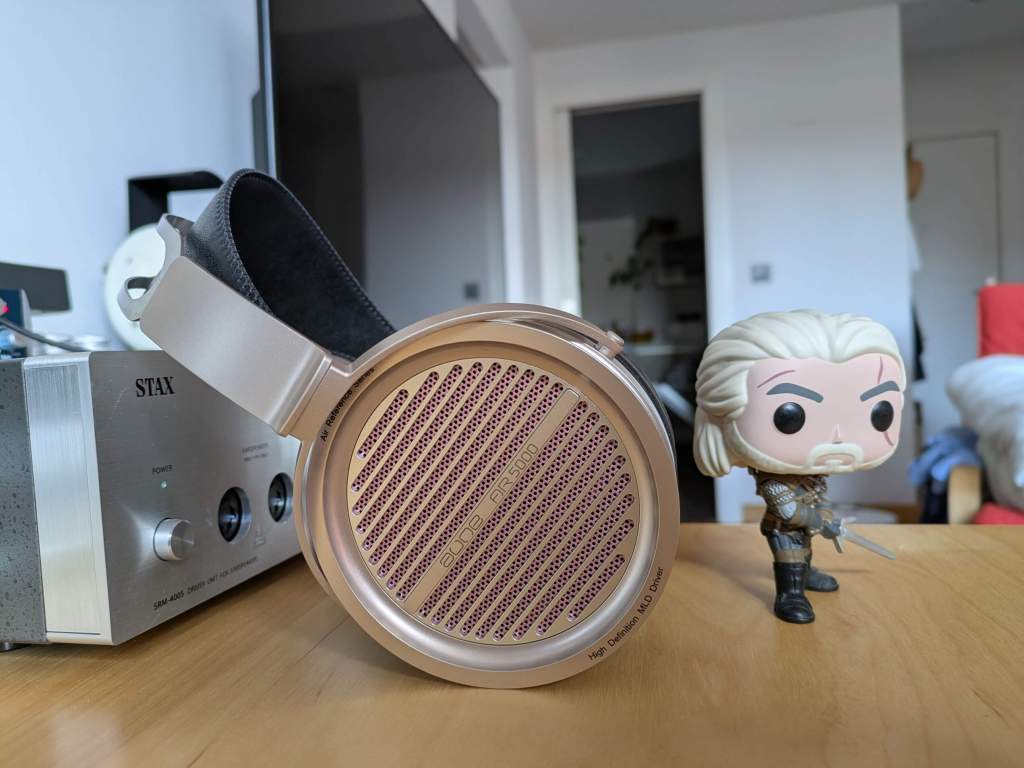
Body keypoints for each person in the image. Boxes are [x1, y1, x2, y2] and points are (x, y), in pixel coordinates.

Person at [693, 310, 905, 623]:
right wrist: (819, 521)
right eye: (789, 417)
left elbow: (817, 494)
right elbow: (789, 511)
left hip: (806, 521)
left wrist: (826, 515)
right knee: (790, 554)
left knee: (804, 550)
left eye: (879, 412)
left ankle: (806, 574)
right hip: (784, 527)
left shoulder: (813, 474)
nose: (837, 436)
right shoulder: (774, 482)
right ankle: (790, 594)